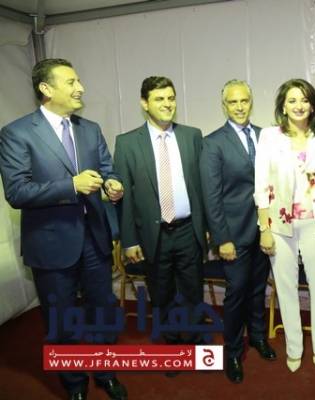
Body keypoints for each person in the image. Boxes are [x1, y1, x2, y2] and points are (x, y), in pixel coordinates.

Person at [0, 58, 127, 400]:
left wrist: (112, 184)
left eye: (79, 81)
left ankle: (106, 373)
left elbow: (107, 169)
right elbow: (17, 192)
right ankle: (74, 384)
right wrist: (71, 185)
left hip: (95, 239)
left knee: (103, 312)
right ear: (46, 88)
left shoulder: (90, 129)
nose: (80, 88)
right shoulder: (16, 133)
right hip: (50, 244)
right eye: (71, 82)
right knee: (61, 320)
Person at [113, 77, 207, 357]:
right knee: (161, 295)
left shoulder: (192, 136)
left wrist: (206, 227)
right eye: (159, 99)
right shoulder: (127, 143)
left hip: (188, 231)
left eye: (171, 98)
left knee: (193, 292)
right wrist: (129, 240)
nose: (167, 104)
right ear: (144, 104)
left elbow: (202, 186)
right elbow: (125, 198)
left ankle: (194, 343)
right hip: (153, 236)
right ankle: (174, 348)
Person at [254, 78, 315, 372]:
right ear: (283, 106)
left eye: (304, 100)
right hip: (280, 223)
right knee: (286, 288)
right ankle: (294, 348)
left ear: (312, 106)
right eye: (292, 100)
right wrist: (264, 228)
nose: (299, 105)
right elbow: (261, 184)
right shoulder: (269, 137)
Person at [200, 79, 276, 384]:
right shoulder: (213, 143)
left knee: (258, 290)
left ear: (251, 102)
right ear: (224, 106)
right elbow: (211, 196)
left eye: (244, 100)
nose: (240, 107)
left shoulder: (266, 136)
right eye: (233, 102)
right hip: (233, 234)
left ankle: (257, 337)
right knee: (236, 294)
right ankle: (232, 352)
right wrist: (222, 239)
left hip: (264, 231)